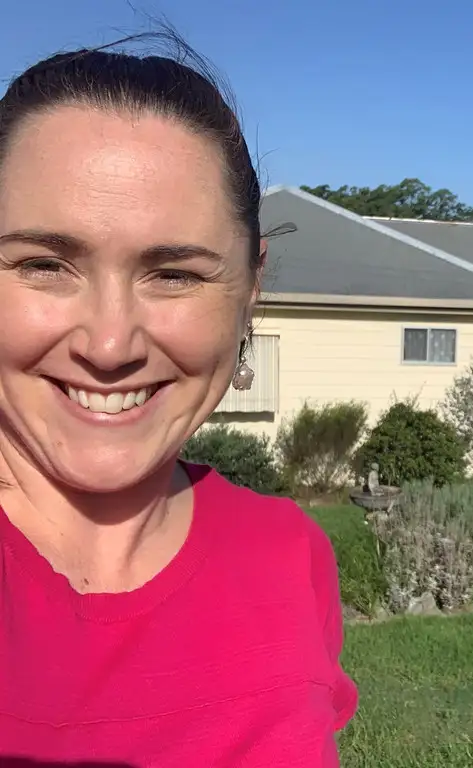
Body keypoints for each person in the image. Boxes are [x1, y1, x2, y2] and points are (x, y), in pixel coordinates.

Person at [0, 34, 358, 766]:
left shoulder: (290, 556)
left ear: (250, 289)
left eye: (174, 275)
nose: (109, 345)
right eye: (44, 265)